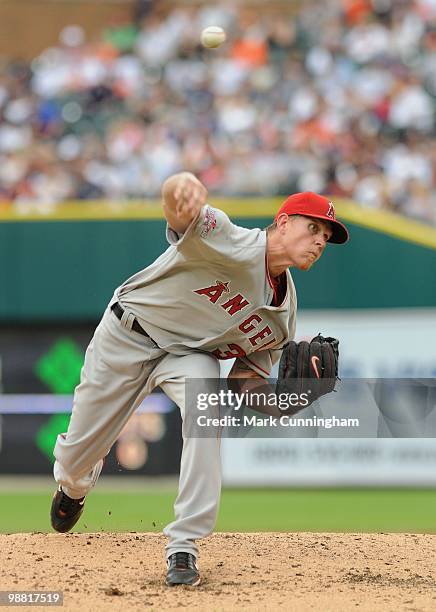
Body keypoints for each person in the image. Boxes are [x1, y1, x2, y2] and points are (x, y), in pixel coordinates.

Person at [50, 171, 349, 586]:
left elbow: (244, 382)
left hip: (188, 357)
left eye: (326, 237)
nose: (320, 241)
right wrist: (181, 184)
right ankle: (74, 485)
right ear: (282, 222)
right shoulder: (229, 238)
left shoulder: (284, 319)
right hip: (128, 334)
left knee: (208, 406)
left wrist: (283, 402)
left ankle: (184, 543)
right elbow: (178, 210)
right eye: (313, 227)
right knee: (75, 458)